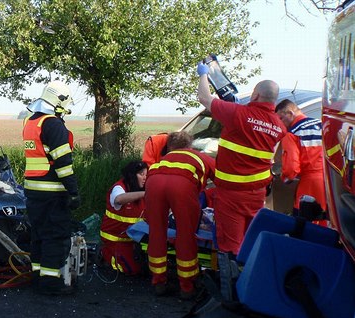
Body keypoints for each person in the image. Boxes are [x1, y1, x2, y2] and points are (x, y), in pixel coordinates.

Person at [198, 63, 285, 300]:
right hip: (257, 195)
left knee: (229, 246)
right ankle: (253, 290)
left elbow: (204, 98)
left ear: (255, 94)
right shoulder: (278, 126)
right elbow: (272, 160)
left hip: (231, 195)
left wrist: (204, 75)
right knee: (250, 241)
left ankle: (232, 297)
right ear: (274, 101)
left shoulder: (238, 114)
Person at [23, 80, 79, 295]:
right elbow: (63, 163)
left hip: (33, 191)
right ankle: (50, 283)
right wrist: (73, 191)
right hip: (52, 193)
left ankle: (37, 277)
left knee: (38, 235)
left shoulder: (31, 122)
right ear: (59, 101)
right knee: (55, 236)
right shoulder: (53, 124)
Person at [144, 131, 215, 300]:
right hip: (181, 186)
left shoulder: (164, 159)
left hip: (153, 182)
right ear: (189, 145)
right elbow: (223, 179)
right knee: (185, 234)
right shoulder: (200, 157)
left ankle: (159, 282)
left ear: (169, 146)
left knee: (157, 232)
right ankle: (187, 286)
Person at [275, 99, 326, 223]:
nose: (280, 124)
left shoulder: (292, 134)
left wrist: (285, 179)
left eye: (281, 119)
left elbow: (291, 169)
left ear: (290, 113)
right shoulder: (322, 125)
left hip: (309, 186)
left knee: (304, 227)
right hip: (330, 183)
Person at [99, 160, 148, 275]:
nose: (145, 178)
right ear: (132, 175)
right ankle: (104, 253)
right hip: (115, 239)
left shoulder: (140, 190)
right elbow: (118, 199)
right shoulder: (119, 187)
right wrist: (145, 194)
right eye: (141, 174)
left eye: (146, 175)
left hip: (134, 240)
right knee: (130, 270)